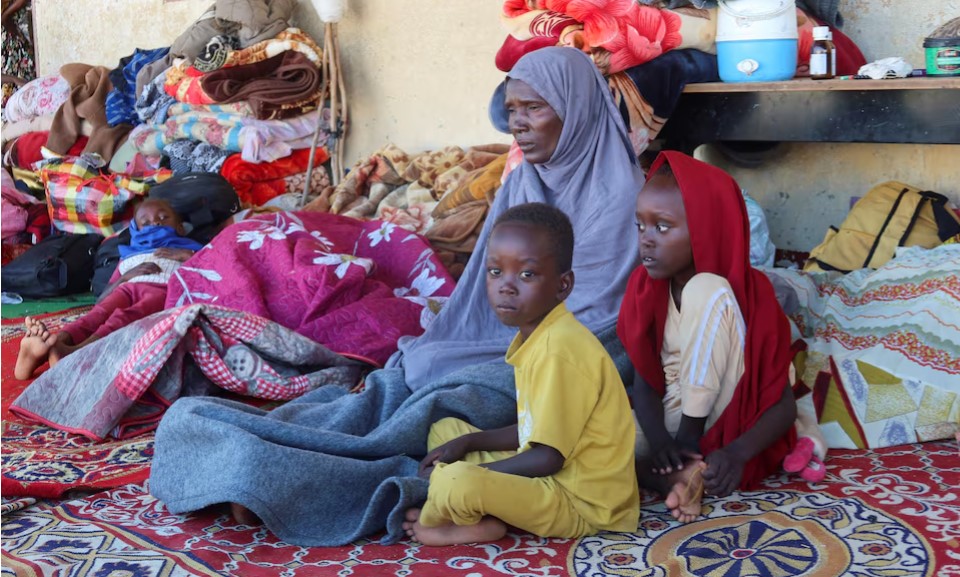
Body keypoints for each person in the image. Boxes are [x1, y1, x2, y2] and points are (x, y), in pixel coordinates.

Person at [149, 46, 644, 547]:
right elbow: (479, 290)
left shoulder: (619, 197)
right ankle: (257, 449)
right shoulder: (523, 180)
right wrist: (449, 343)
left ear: (576, 109)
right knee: (403, 384)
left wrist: (498, 359)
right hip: (509, 345)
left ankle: (283, 477)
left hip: (568, 360)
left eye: (534, 108)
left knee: (447, 402)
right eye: (513, 110)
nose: (518, 123)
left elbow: (598, 318)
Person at [402, 203, 639, 546]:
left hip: (581, 502)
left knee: (455, 481)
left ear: (563, 285)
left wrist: (473, 474)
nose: (507, 287)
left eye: (526, 274)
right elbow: (534, 429)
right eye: (496, 271)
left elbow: (547, 456)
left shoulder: (560, 349)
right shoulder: (539, 335)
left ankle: (455, 523)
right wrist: (468, 441)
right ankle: (485, 505)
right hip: (551, 474)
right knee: (447, 430)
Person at [618, 151, 800, 524]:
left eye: (662, 227)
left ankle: (682, 460)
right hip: (670, 421)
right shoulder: (644, 287)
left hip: (724, 418)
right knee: (584, 442)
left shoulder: (751, 295)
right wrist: (663, 444)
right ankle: (677, 476)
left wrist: (737, 453)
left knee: (706, 288)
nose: (646, 240)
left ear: (706, 227)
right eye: (641, 226)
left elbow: (783, 404)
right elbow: (646, 383)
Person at [14, 198, 202, 379]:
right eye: (146, 222)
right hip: (126, 288)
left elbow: (214, 272)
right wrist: (126, 277)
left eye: (163, 218)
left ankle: (76, 352)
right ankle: (52, 344)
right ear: (136, 231)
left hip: (162, 291)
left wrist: (188, 254)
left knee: (125, 317)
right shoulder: (128, 257)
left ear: (180, 227)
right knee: (97, 315)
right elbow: (102, 299)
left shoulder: (193, 250)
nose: (155, 224)